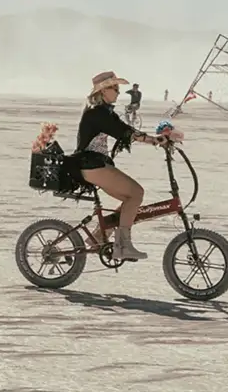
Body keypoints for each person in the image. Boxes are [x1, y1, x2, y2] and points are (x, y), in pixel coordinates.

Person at [73, 69, 176, 262]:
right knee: (135, 193)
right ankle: (123, 247)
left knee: (130, 199)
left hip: (95, 165)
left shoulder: (103, 112)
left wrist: (154, 139)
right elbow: (124, 132)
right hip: (92, 165)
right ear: (102, 91)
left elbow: (125, 129)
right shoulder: (98, 114)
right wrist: (153, 140)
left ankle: (98, 236)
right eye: (114, 88)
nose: (118, 92)